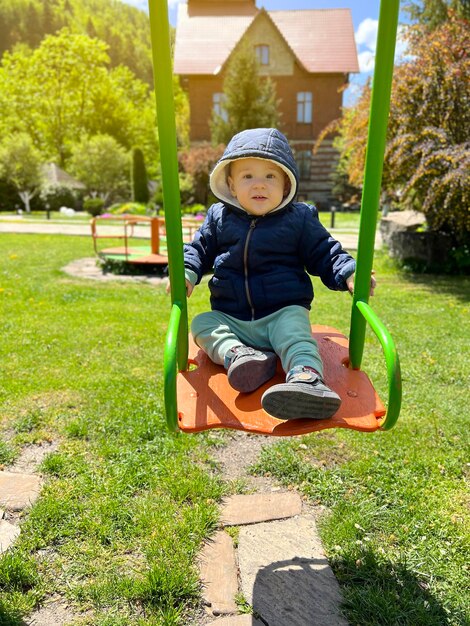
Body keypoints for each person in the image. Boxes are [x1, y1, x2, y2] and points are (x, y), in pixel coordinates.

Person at [177, 128, 375, 421]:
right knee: (202, 323)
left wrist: (348, 272)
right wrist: (186, 272)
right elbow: (198, 248)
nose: (260, 185)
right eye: (247, 176)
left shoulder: (299, 218)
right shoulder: (219, 217)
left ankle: (306, 380)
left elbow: (325, 251)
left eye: (270, 176)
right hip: (232, 318)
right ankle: (241, 357)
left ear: (286, 184)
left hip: (282, 312)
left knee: (296, 334)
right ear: (231, 185)